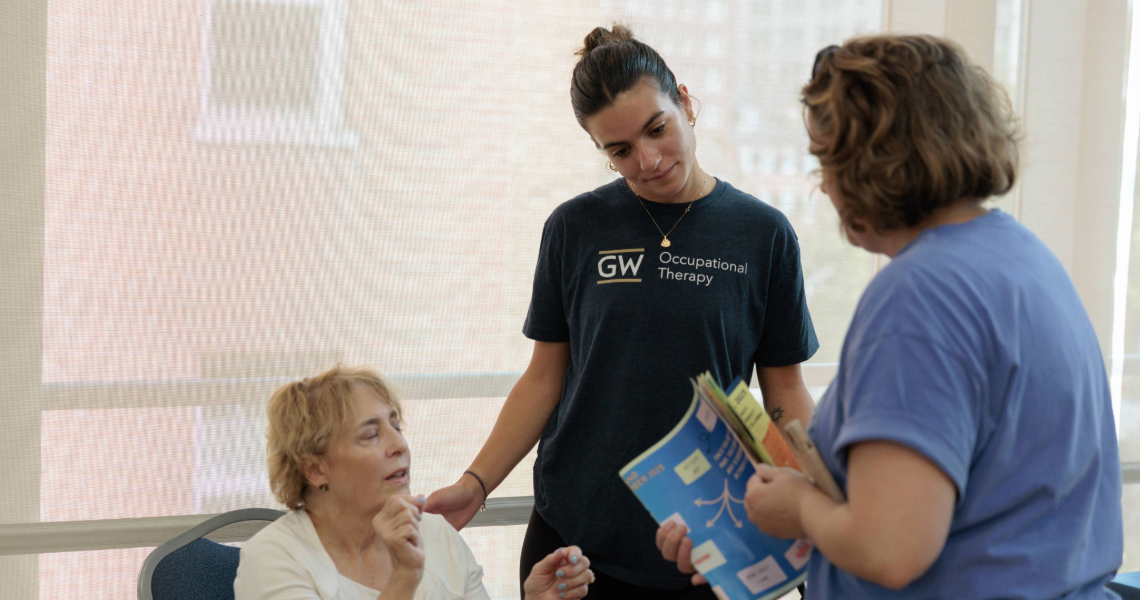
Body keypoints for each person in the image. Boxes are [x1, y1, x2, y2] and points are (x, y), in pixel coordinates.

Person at [657, 34, 1125, 599]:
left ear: (874, 161)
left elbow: (890, 549)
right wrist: (759, 514)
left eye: (825, 160)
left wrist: (801, 507)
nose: (822, 185)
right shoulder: (1025, 258)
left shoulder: (922, 295)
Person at [425, 24, 819, 599]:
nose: (650, 159)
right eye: (621, 150)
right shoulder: (574, 228)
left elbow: (784, 392)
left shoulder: (763, 236)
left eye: (657, 129)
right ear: (601, 151)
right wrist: (475, 484)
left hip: (708, 541)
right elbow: (544, 379)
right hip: (576, 540)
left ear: (684, 101)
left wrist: (819, 505)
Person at [233, 365, 594, 600]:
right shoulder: (273, 557)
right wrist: (406, 576)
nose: (399, 445)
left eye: (396, 426)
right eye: (371, 435)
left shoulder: (436, 534)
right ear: (314, 470)